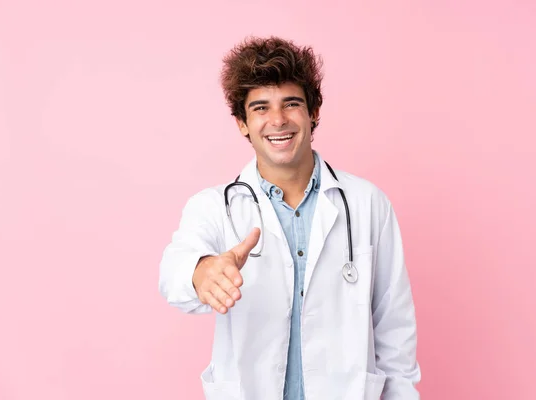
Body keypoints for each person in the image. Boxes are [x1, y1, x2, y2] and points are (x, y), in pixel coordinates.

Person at [158, 36, 421, 400]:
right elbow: (173, 271)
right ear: (242, 123)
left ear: (313, 111)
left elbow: (395, 332)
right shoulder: (214, 206)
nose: (277, 120)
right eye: (261, 108)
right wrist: (201, 271)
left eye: (291, 103)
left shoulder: (367, 203)